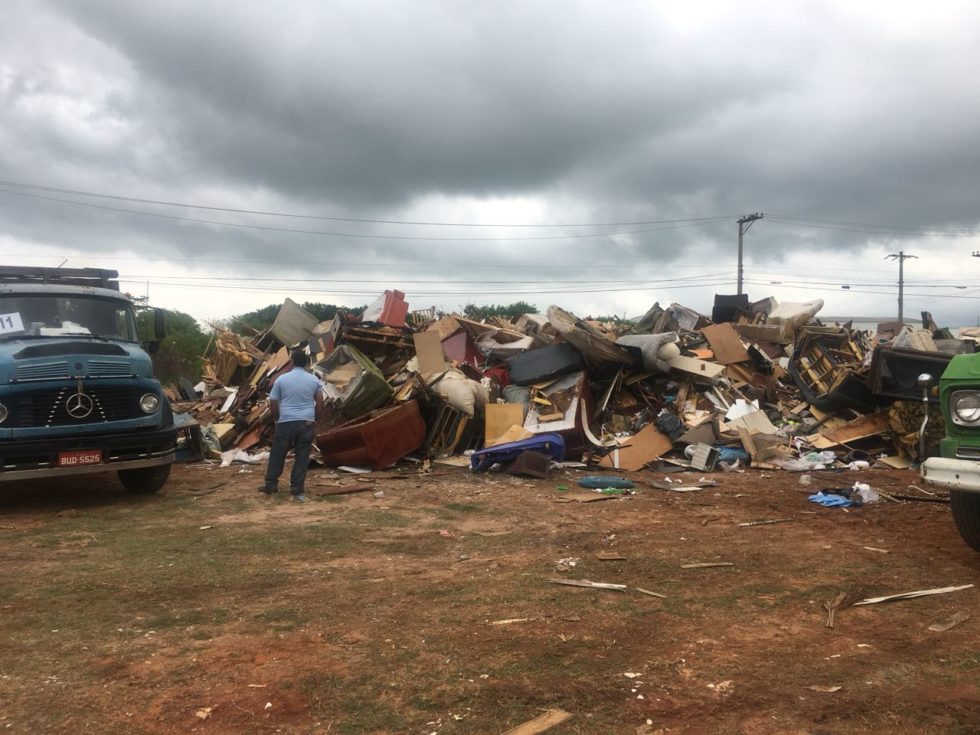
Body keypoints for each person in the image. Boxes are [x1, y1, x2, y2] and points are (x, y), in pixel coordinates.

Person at [260, 348, 324, 501]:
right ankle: (296, 488)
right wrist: (314, 418)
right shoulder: (314, 380)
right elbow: (320, 403)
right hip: (306, 422)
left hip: (286, 422)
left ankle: (271, 485)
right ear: (307, 363)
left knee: (278, 453)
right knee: (302, 456)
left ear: (292, 362)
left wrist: (277, 419)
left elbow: (273, 403)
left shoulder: (281, 379)